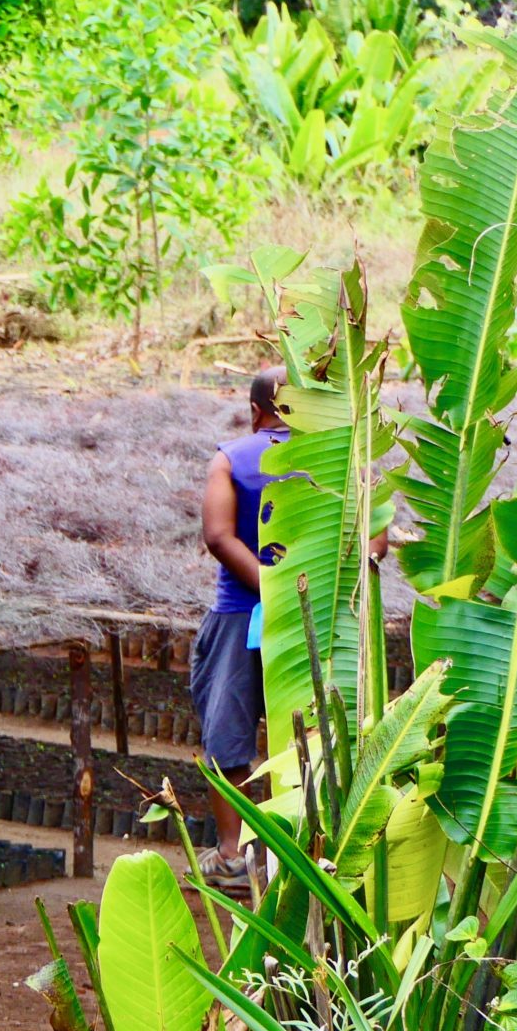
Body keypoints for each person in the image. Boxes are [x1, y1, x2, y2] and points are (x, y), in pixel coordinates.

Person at [192, 366, 289, 881]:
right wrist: (299, 592)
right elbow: (375, 539)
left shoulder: (231, 458)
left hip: (239, 615)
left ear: (255, 411)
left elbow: (218, 536)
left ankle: (233, 854)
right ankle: (306, 851)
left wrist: (268, 588)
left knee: (228, 733)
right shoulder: (337, 458)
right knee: (311, 735)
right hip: (315, 617)